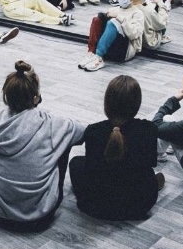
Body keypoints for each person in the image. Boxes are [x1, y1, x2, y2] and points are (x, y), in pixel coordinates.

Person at [0, 60, 86, 231]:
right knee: (64, 141)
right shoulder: (55, 125)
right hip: (41, 214)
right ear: (35, 97)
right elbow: (83, 132)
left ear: (6, 96)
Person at [69, 75, 164, 220]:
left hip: (96, 206)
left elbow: (92, 166)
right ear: (137, 104)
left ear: (107, 103)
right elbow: (151, 162)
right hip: (139, 206)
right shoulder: (148, 129)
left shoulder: (94, 131)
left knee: (76, 162)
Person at [78, 0, 146, 72]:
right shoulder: (113, 9)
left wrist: (119, 18)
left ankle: (98, 57)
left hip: (123, 51)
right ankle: (91, 53)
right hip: (110, 48)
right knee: (97, 19)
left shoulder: (138, 13)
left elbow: (134, 34)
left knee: (113, 22)